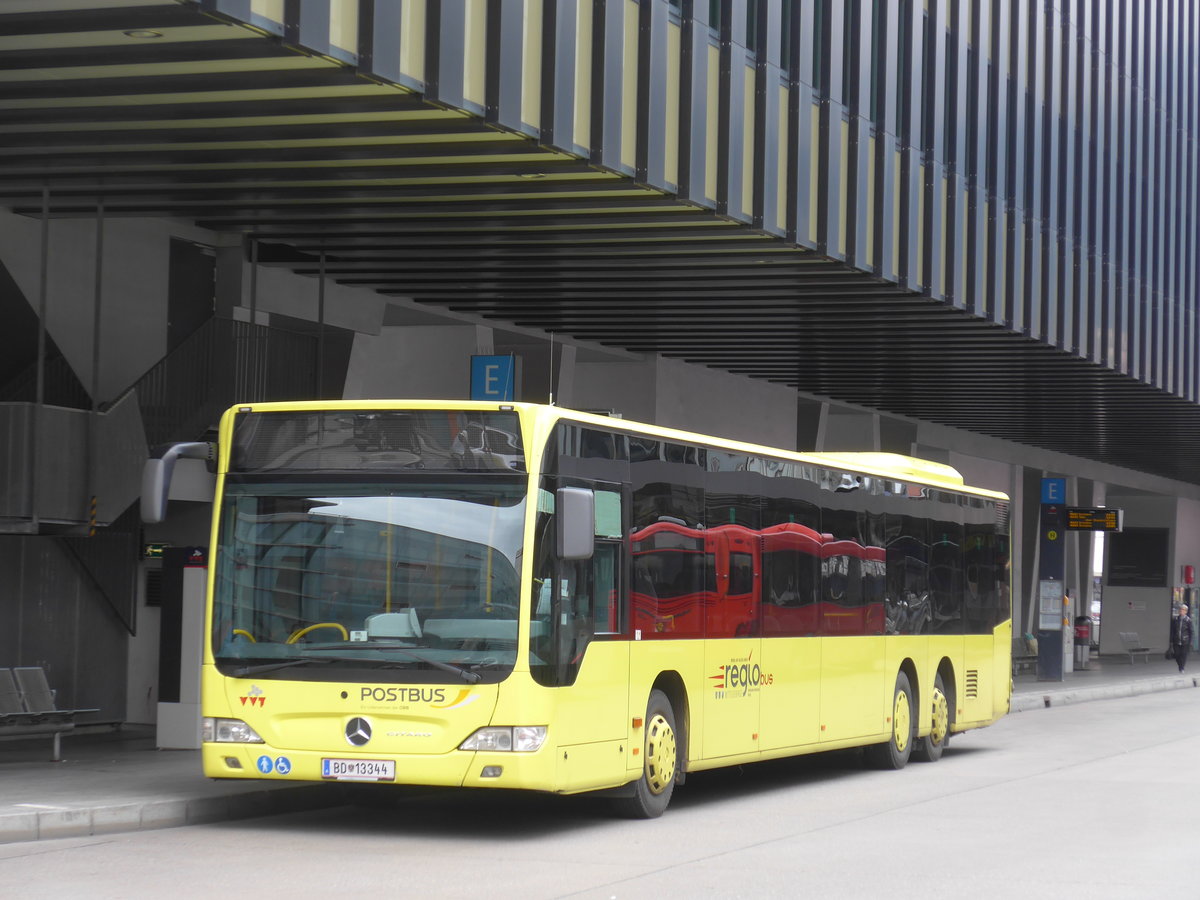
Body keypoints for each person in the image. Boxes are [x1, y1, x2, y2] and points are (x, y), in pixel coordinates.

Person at [1169, 604, 1193, 673]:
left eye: (1182, 610)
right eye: (1180, 609)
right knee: (1177, 654)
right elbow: (1172, 631)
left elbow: (1191, 631)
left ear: (1185, 611)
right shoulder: (1176, 619)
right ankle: (1181, 666)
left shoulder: (1188, 620)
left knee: (1183, 654)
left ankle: (1181, 668)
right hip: (1176, 640)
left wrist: (1190, 641)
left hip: (1185, 640)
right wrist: (1171, 641)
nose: (1181, 611)